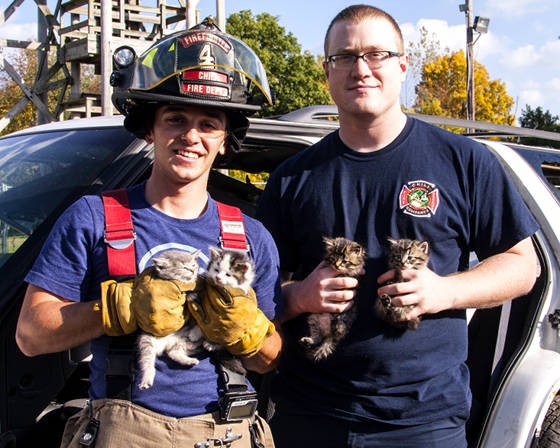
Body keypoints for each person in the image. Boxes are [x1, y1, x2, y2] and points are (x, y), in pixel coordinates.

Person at [256, 5, 539, 448]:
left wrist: (443, 291)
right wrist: (297, 296)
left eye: (377, 54)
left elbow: (523, 266)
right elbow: (255, 291)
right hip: (309, 416)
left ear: (403, 64)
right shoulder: (293, 178)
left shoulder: (463, 162)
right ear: (326, 71)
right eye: (344, 57)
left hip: (423, 421)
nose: (360, 68)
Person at [16, 18, 281, 448]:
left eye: (209, 124)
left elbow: (268, 359)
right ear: (150, 127)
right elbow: (31, 334)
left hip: (229, 431)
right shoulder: (95, 217)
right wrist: (119, 307)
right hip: (127, 430)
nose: (190, 137)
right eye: (175, 118)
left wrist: (248, 331)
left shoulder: (250, 238)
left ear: (225, 139)